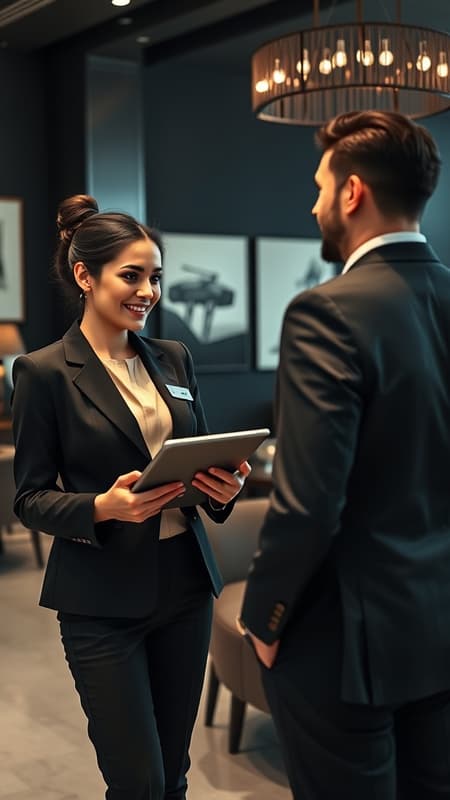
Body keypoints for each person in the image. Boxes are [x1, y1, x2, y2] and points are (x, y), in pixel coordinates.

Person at [239, 110, 450, 800]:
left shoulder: (325, 311)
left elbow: (307, 503)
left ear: (352, 193)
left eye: (320, 185)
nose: (314, 202)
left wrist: (264, 620)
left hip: (347, 640)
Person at [12, 194, 250, 800]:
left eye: (156, 277)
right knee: (138, 782)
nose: (148, 290)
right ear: (84, 276)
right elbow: (29, 498)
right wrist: (100, 507)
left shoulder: (174, 357)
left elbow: (201, 461)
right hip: (100, 600)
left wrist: (225, 489)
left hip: (186, 588)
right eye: (132, 275)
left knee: (173, 775)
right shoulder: (43, 373)